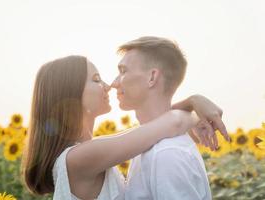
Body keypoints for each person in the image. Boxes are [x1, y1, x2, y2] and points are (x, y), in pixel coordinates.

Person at [21, 55, 226, 200]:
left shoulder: (89, 151)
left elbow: (153, 128)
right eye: (95, 80)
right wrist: (194, 103)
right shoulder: (79, 158)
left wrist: (192, 104)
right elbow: (172, 123)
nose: (108, 85)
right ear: (71, 95)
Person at [112, 36, 229, 200]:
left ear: (152, 77)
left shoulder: (166, 154)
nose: (114, 83)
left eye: (123, 71)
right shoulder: (150, 143)